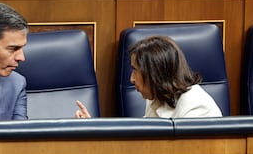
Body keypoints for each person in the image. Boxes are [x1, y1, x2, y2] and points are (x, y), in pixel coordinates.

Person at [76, 35, 223, 118]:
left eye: (135, 70)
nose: (131, 79)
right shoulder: (157, 96)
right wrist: (91, 128)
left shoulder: (197, 108)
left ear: (155, 74)